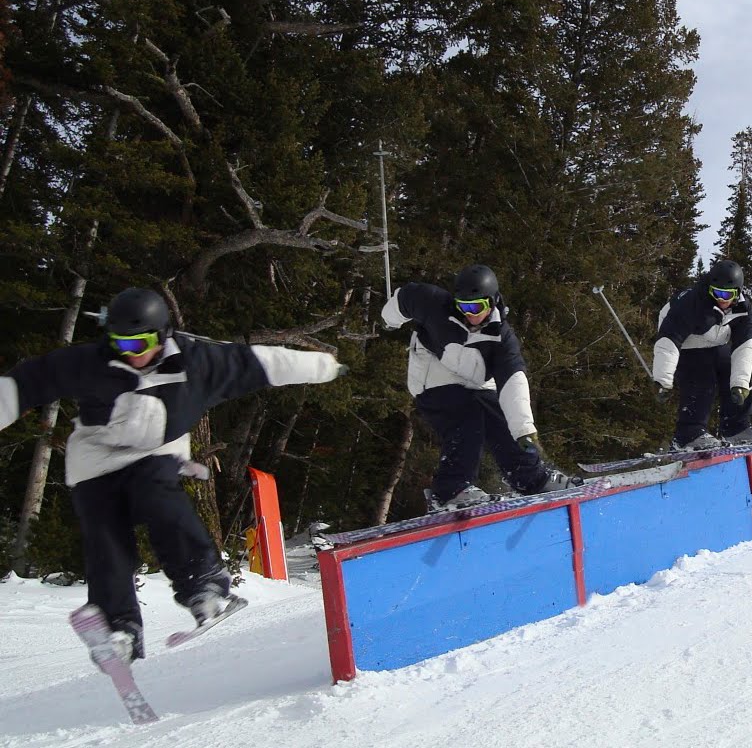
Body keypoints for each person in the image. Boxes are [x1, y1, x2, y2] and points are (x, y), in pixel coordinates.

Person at [0, 287, 347, 666]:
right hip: (96, 457)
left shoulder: (200, 365)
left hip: (157, 451)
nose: (129, 355)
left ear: (162, 335)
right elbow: (26, 382)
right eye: (120, 344)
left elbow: (264, 363)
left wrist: (325, 367)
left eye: (139, 344)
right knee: (105, 535)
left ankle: (204, 584)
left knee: (157, 494)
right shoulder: (91, 363)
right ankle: (119, 627)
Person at [381, 264, 578, 509]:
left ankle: (531, 479)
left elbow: (513, 383)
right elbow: (404, 298)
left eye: (477, 307)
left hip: (476, 380)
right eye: (464, 306)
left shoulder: (502, 339)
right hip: (433, 374)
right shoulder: (434, 304)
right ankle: (450, 491)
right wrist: (389, 320)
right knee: (467, 418)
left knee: (502, 421)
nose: (470, 314)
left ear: (493, 302)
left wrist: (524, 430)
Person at [651, 259, 752, 450]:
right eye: (716, 292)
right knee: (702, 376)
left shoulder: (744, 309)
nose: (722, 299)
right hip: (686, 341)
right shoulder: (693, 303)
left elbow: (745, 346)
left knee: (732, 372)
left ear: (738, 292)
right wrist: (662, 380)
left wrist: (740, 384)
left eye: (727, 294)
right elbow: (669, 340)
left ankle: (736, 428)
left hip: (715, 340)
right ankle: (689, 435)